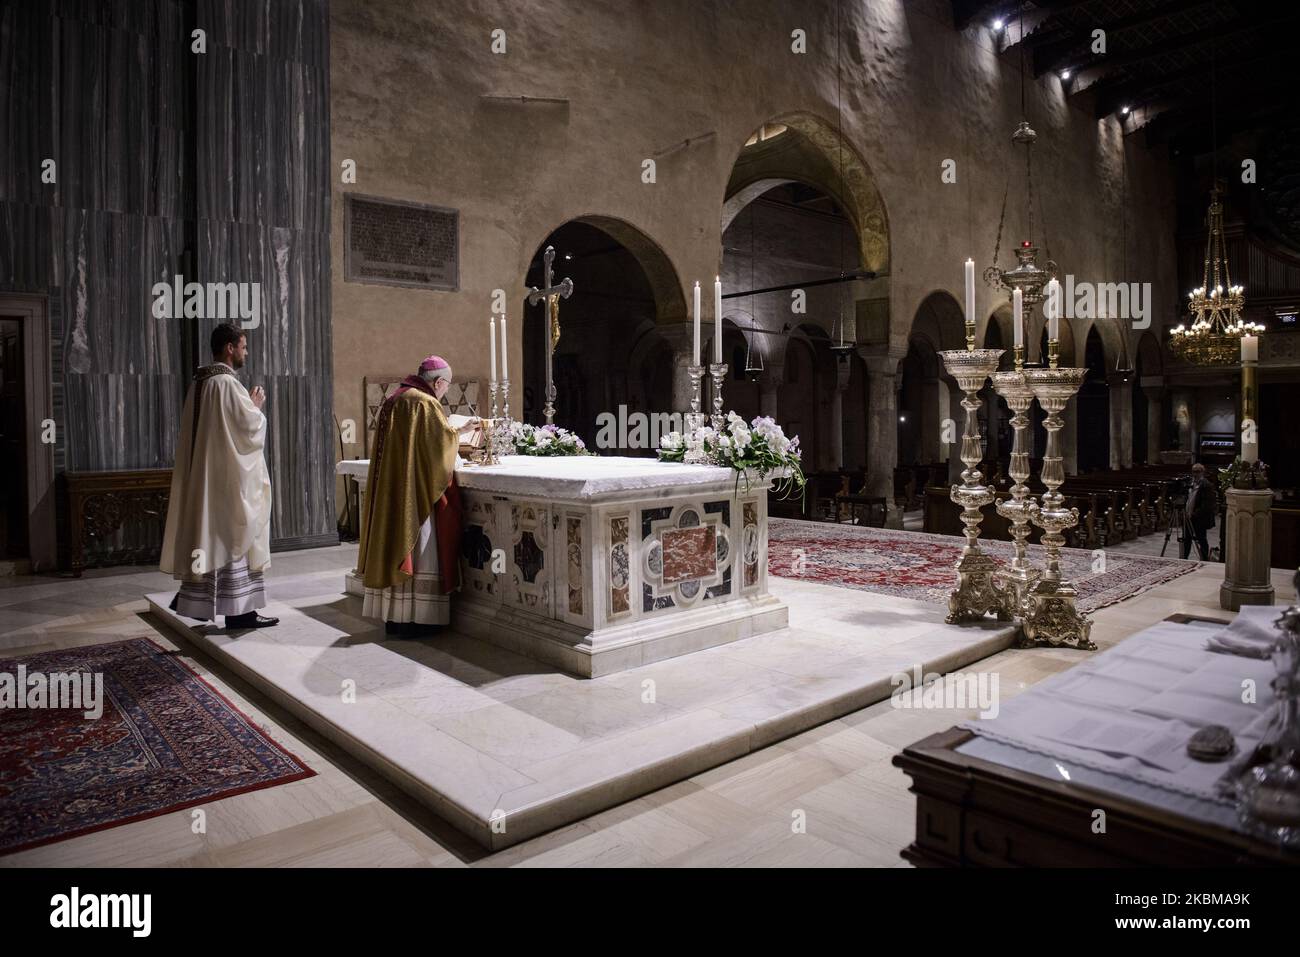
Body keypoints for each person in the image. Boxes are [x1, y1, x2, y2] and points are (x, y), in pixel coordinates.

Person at [161, 322, 278, 627]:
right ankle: (241, 613)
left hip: (205, 477)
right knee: (233, 534)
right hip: (225, 481)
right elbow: (246, 430)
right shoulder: (226, 384)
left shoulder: (199, 383)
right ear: (230, 348)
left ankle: (202, 603)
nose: (246, 352)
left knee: (210, 536)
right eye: (243, 346)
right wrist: (255, 408)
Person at [356, 355, 477, 637]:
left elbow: (420, 441)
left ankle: (395, 618)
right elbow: (437, 449)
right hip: (416, 497)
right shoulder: (425, 402)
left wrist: (456, 430)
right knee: (420, 551)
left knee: (394, 545)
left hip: (394, 492)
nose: (444, 392)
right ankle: (417, 620)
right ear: (438, 381)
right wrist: (457, 436)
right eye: (446, 386)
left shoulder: (396, 397)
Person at [1181, 462, 1216, 561]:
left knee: (1201, 539)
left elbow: (1207, 505)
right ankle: (1184, 558)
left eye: (1197, 472)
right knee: (1186, 540)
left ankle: (1204, 559)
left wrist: (1194, 514)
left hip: (1199, 518)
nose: (1195, 474)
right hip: (1188, 517)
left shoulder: (1207, 485)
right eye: (1193, 472)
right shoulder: (1190, 483)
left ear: (1202, 472)